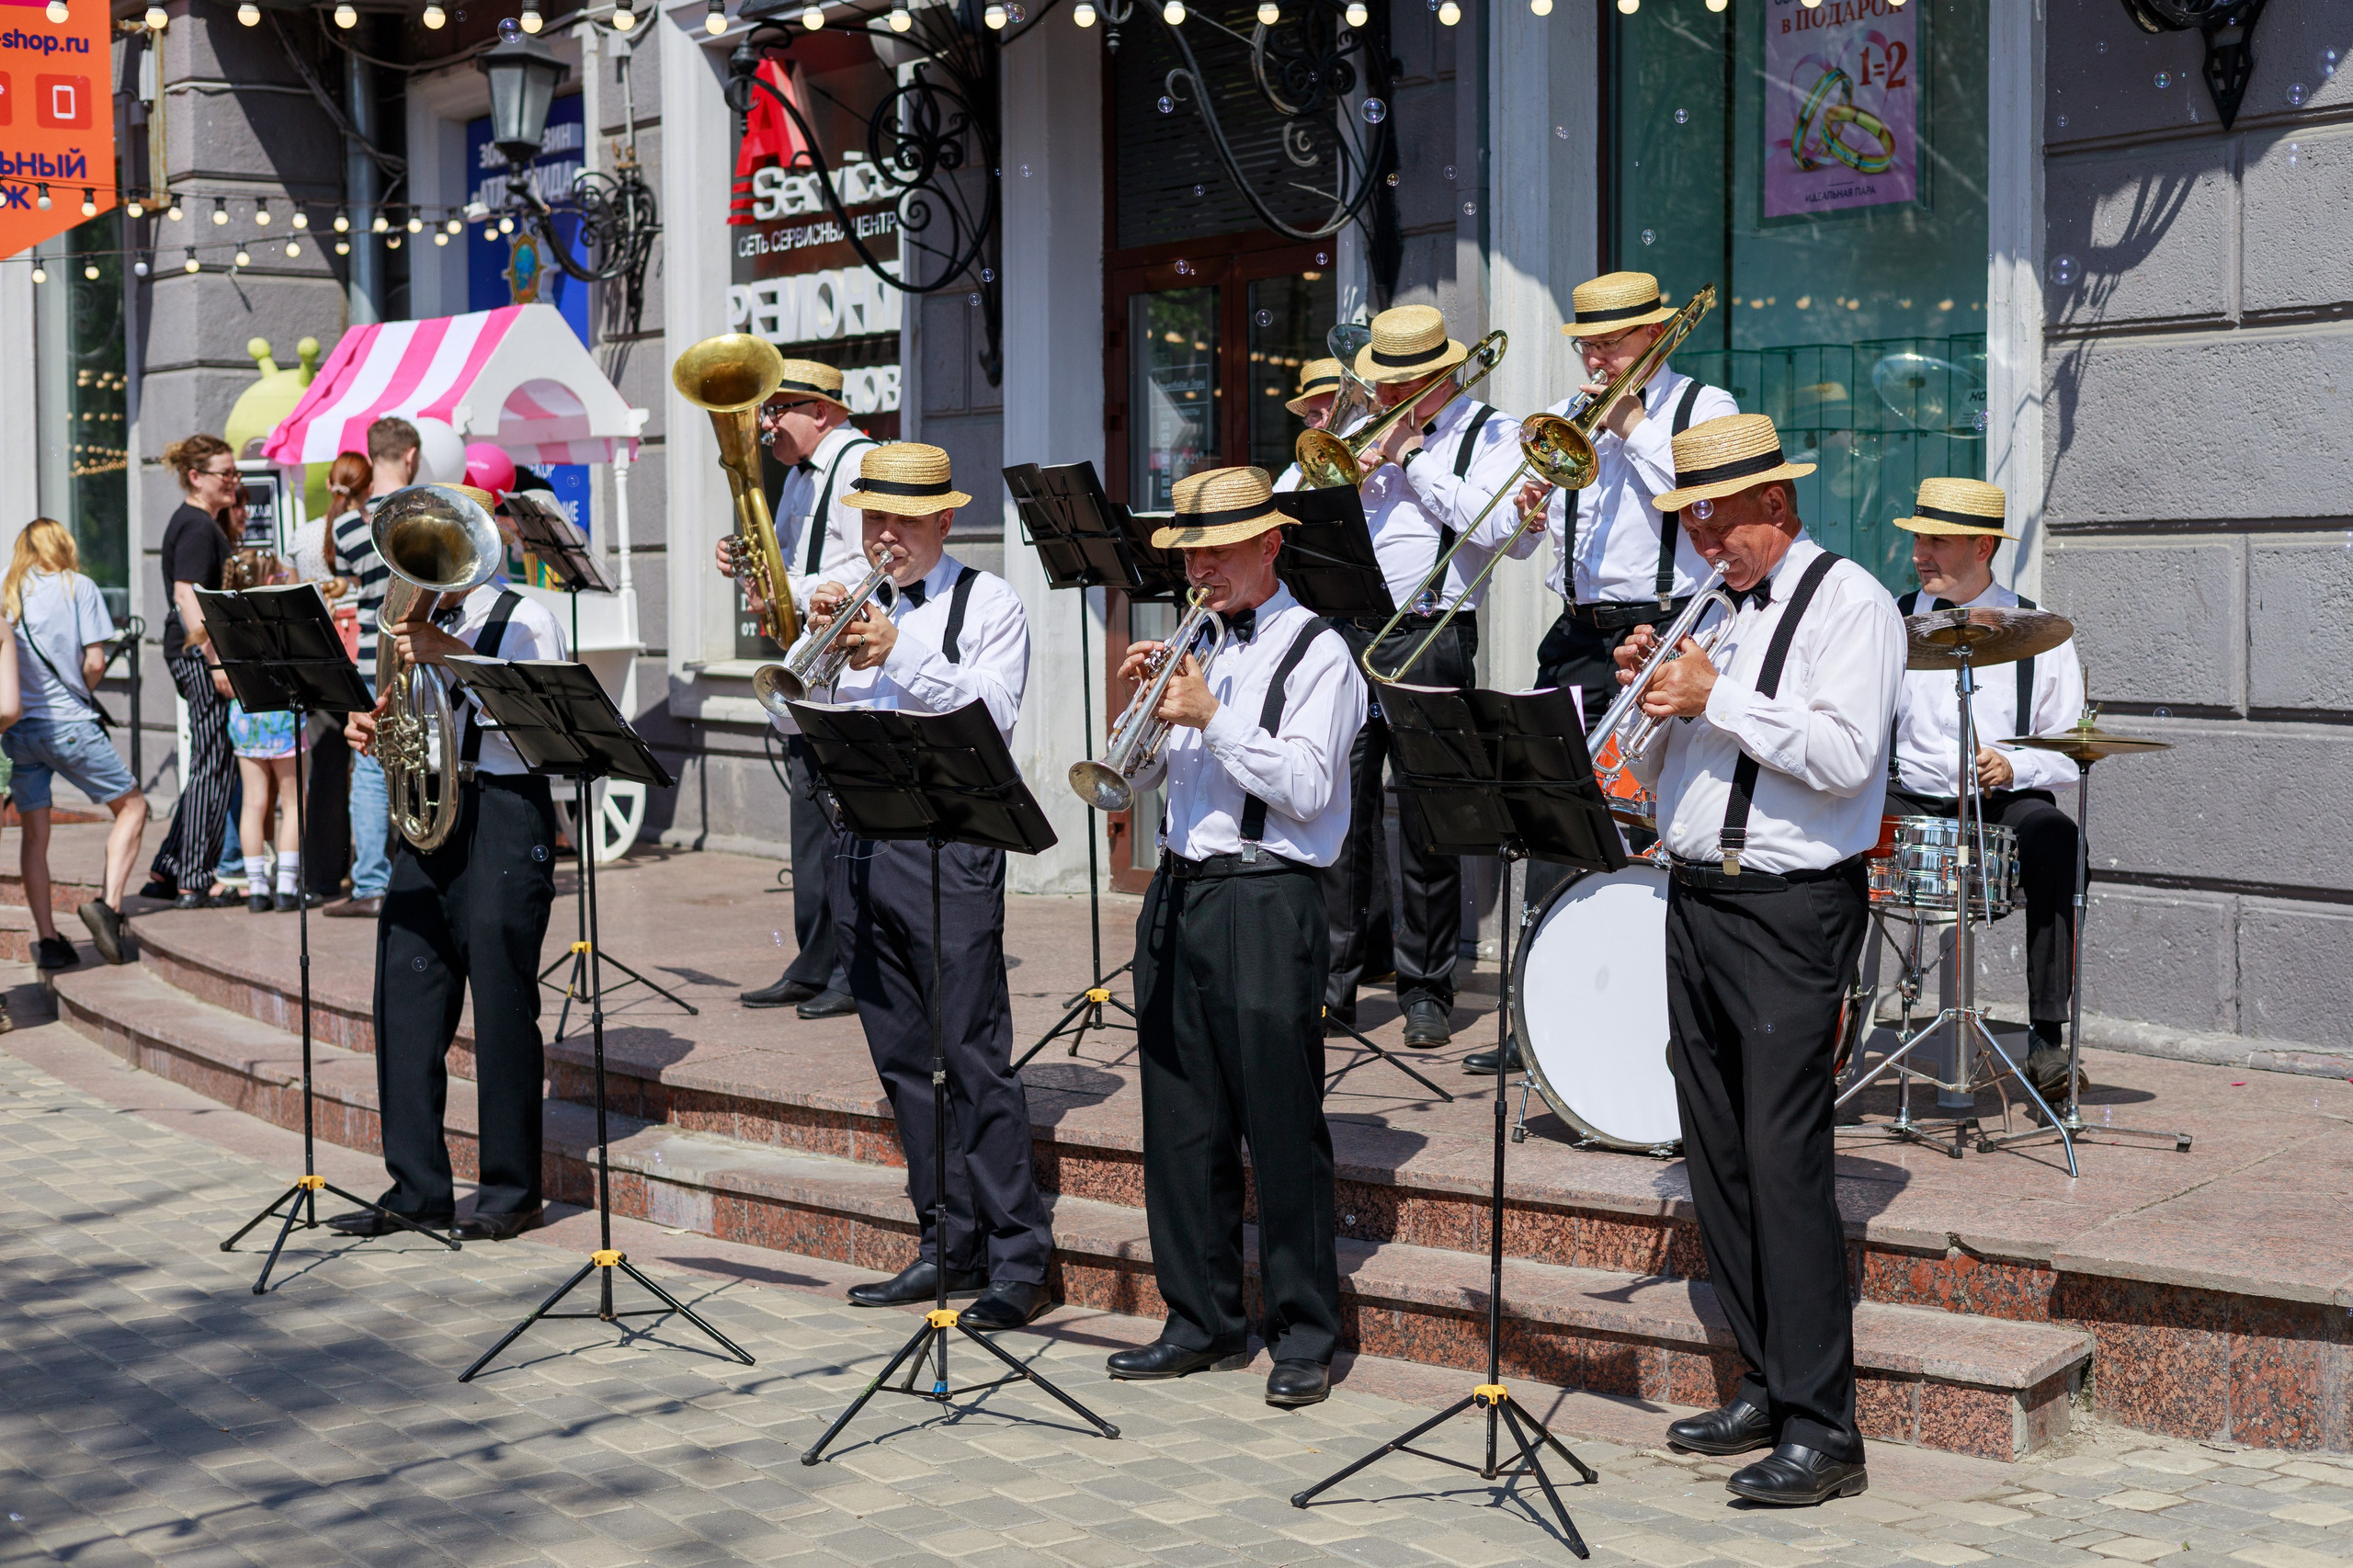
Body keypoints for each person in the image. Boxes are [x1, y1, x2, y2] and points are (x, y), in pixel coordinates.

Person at [1611, 413, 1902, 1506]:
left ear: (1774, 507)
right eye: (1688, 519)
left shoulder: (1854, 604)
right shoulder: (1710, 609)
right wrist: (1647, 695)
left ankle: (1827, 1426)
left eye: (1717, 520)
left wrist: (1715, 697)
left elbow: (1842, 758)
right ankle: (1764, 1379)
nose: (1701, 542)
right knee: (1716, 1149)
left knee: (1785, 1163)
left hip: (1789, 908)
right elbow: (1649, 768)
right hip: (1695, 896)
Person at [733, 441, 1054, 1330]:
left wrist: (898, 649)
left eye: (902, 522)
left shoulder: (988, 603)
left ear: (943, 521)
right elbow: (783, 703)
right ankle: (943, 1242)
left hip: (951, 848)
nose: (884, 538)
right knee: (904, 1058)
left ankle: (1018, 1257)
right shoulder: (853, 593)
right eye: (873, 520)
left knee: (974, 1054)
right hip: (864, 842)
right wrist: (820, 645)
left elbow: (990, 713)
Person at [1101, 465, 1365, 1409]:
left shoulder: (1318, 653)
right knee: (1179, 1118)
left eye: (1215, 550)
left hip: (1269, 897)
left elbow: (1304, 787)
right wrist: (1141, 722)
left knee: (1280, 1123)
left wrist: (1210, 715)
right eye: (1189, 553)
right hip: (1180, 890)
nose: (1198, 568)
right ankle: (1199, 1317)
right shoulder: (1195, 644)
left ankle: (1303, 1330)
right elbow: (1143, 786)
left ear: (1269, 545)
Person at [331, 483, 567, 1243]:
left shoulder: (525, 616)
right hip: (426, 816)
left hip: (502, 811)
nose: (432, 570)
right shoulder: (404, 620)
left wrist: (454, 655)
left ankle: (511, 1191)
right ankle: (417, 1188)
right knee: (405, 998)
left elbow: (545, 730)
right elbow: (399, 711)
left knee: (501, 1004)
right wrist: (370, 723)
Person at [1321, 304, 1539, 1047]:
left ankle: (1426, 989)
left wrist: (1411, 459)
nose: (1383, 396)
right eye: (1380, 383)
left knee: (1428, 821)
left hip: (1433, 631)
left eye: (1398, 383)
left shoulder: (1492, 432)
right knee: (1339, 812)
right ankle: (1334, 985)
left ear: (1440, 376)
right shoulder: (1363, 425)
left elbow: (1505, 534)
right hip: (1349, 631)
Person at [1884, 477, 2085, 1097]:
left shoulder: (2040, 633)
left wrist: (2013, 764)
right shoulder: (1890, 621)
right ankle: (1830, 1029)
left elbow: (2072, 749)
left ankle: (2048, 1037)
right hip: (1911, 792)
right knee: (1833, 838)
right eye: (1917, 539)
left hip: (2001, 804)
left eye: (1937, 541)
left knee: (2057, 837)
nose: (1920, 553)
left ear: (1981, 547)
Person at [1525, 271, 1740, 707]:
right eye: (1587, 345)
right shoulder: (1561, 415)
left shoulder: (1707, 406)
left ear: (1654, 334)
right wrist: (1529, 516)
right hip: (1575, 634)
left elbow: (1711, 503)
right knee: (1551, 769)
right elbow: (1513, 546)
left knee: (1647, 774)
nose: (1594, 361)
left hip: (1667, 625)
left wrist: (1634, 429)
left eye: (1609, 344)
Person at [735, 359, 873, 1018]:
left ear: (821, 412)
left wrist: (782, 585)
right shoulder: (798, 478)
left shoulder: (859, 463)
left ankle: (855, 965)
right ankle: (815, 958)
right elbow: (793, 566)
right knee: (810, 820)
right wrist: (755, 575)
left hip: (855, 670)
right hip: (812, 667)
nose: (767, 424)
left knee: (845, 822)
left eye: (778, 409)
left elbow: (871, 562)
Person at [3, 520, 144, 966]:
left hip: (19, 732)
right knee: (134, 806)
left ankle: (48, 941)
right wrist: (83, 686)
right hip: (69, 725)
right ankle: (109, 906)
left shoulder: (11, 592)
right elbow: (96, 661)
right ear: (64, 544)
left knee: (34, 835)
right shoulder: (77, 586)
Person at [142, 435, 244, 909]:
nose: (234, 481)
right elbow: (187, 595)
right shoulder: (199, 527)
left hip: (191, 653)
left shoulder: (199, 522)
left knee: (210, 759)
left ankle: (168, 867)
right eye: (226, 473)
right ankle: (195, 876)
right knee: (214, 761)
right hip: (198, 655)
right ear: (196, 477)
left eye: (235, 472)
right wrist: (216, 658)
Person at [323, 423, 415, 918]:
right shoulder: (423, 511)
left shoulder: (345, 527)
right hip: (417, 656)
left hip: (367, 662)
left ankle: (372, 883)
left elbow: (349, 588)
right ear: (412, 455)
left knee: (371, 769)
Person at [1268, 357, 1345, 494]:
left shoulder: (1385, 457)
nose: (1325, 422)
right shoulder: (1295, 473)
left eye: (1334, 411)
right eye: (1315, 415)